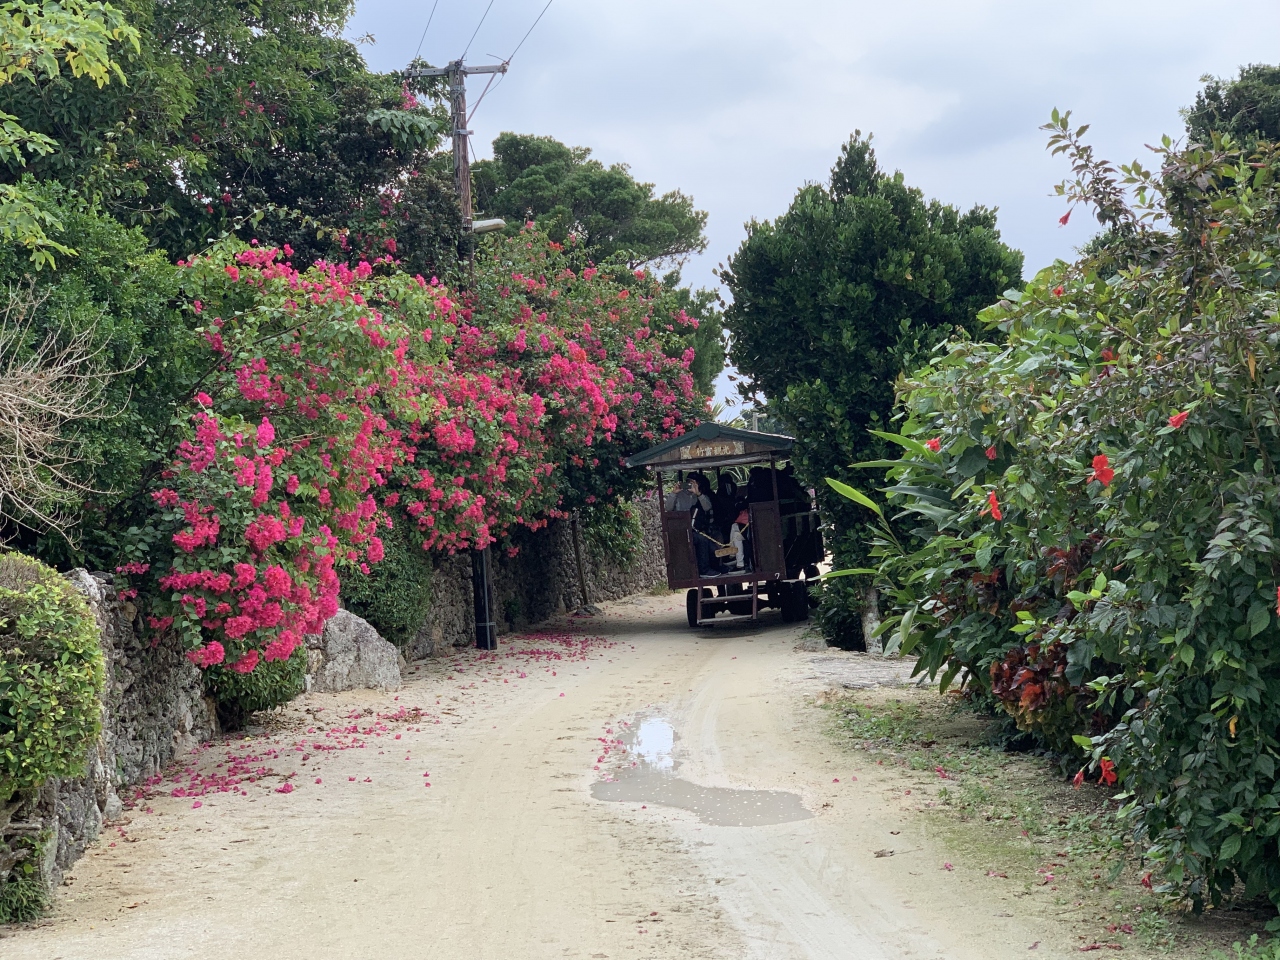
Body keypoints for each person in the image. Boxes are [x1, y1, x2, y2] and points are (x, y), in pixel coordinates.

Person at [687, 475, 722, 577]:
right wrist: (674, 494)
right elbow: (669, 507)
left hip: (701, 530)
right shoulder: (681, 495)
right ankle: (704, 570)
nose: (690, 485)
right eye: (689, 482)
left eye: (694, 483)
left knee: (714, 549)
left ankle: (715, 568)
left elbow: (707, 507)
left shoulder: (703, 496)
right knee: (703, 540)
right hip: (686, 531)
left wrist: (697, 493)